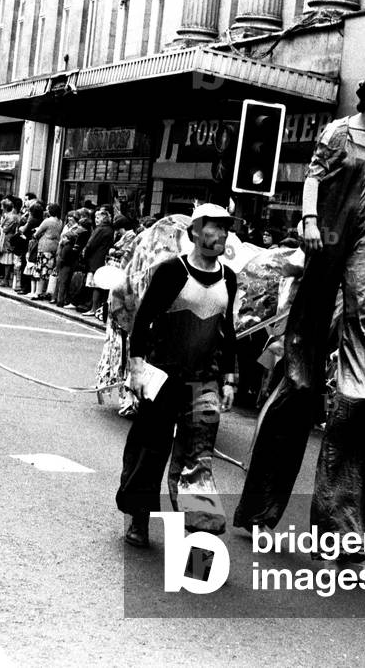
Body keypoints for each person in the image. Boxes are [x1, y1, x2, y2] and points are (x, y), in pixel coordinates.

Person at [233, 69, 365, 556]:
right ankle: (260, 510)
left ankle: (340, 528)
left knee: (357, 385)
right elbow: (314, 178)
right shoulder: (337, 132)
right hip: (328, 240)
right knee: (300, 378)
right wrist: (309, 219)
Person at [117, 203, 238, 547]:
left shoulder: (228, 277)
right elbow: (142, 321)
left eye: (226, 229)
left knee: (198, 460)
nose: (222, 234)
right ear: (196, 233)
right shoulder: (171, 270)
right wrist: (137, 366)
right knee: (149, 451)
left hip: (204, 382)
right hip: (162, 376)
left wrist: (229, 378)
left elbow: (226, 331)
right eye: (215, 227)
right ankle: (138, 519)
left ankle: (202, 542)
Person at [80, 207, 115, 317]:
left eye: (98, 217)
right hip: (103, 258)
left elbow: (90, 244)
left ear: (104, 217)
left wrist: (84, 254)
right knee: (100, 285)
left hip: (95, 259)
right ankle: (97, 308)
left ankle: (93, 309)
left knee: (95, 285)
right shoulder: (110, 229)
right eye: (95, 217)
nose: (96, 219)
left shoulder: (100, 229)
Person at [29, 203, 63, 299]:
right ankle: (47, 291)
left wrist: (36, 233)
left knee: (41, 270)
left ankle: (38, 292)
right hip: (55, 246)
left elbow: (36, 233)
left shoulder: (47, 221)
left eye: (48, 209)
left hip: (44, 246)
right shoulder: (60, 221)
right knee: (49, 269)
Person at [0, 198, 19, 287]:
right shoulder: (14, 215)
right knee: (7, 260)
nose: (1, 208)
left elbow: (5, 229)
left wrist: (0, 227)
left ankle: (5, 279)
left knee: (7, 260)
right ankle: (6, 279)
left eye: (2, 206)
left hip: (7, 239)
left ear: (5, 207)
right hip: (10, 239)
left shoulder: (8, 217)